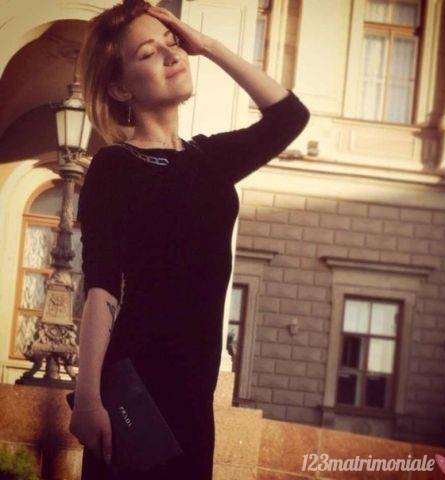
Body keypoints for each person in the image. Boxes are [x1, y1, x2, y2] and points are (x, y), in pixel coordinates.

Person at [68, 0, 310, 478]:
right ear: (120, 88)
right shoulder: (114, 167)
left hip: (196, 397)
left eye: (172, 43)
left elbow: (290, 116)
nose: (170, 54)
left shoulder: (209, 159)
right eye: (147, 53)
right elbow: (101, 287)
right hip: (135, 391)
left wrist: (207, 45)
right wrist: (89, 396)